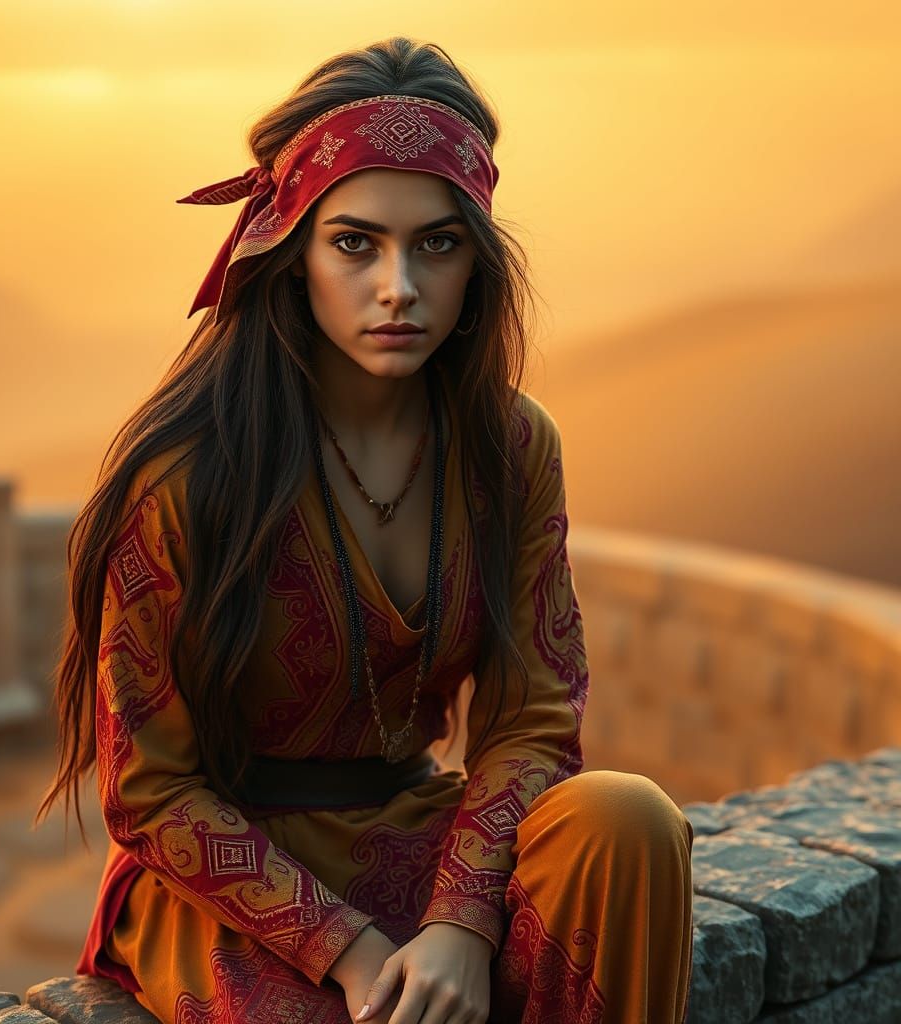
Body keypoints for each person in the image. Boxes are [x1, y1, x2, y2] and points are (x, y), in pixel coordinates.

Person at [35, 36, 694, 1024]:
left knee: (627, 818)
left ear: (477, 257)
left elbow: (534, 715)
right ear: (292, 252)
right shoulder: (187, 475)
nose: (401, 285)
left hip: (425, 839)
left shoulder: (511, 447)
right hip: (236, 881)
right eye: (355, 242)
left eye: (437, 241)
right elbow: (151, 788)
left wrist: (462, 924)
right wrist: (344, 948)